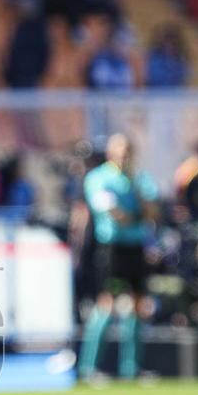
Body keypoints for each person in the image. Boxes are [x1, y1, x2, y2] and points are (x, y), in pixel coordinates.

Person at [78, 134, 159, 379]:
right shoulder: (98, 178)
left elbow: (153, 210)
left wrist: (139, 202)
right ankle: (88, 368)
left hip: (135, 247)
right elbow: (114, 213)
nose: (123, 158)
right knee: (108, 304)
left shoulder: (139, 178)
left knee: (138, 305)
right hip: (111, 248)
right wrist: (137, 216)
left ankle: (131, 369)